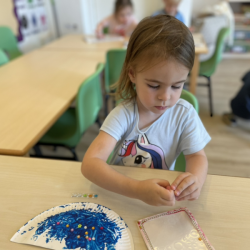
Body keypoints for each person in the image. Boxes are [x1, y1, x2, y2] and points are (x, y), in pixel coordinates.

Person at [82, 15, 211, 207]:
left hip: (161, 203)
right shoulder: (123, 114)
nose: (165, 97)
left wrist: (196, 180)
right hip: (120, 198)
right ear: (132, 73)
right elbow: (90, 164)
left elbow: (197, 156)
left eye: (177, 86)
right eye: (154, 85)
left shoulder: (185, 114)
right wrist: (137, 189)